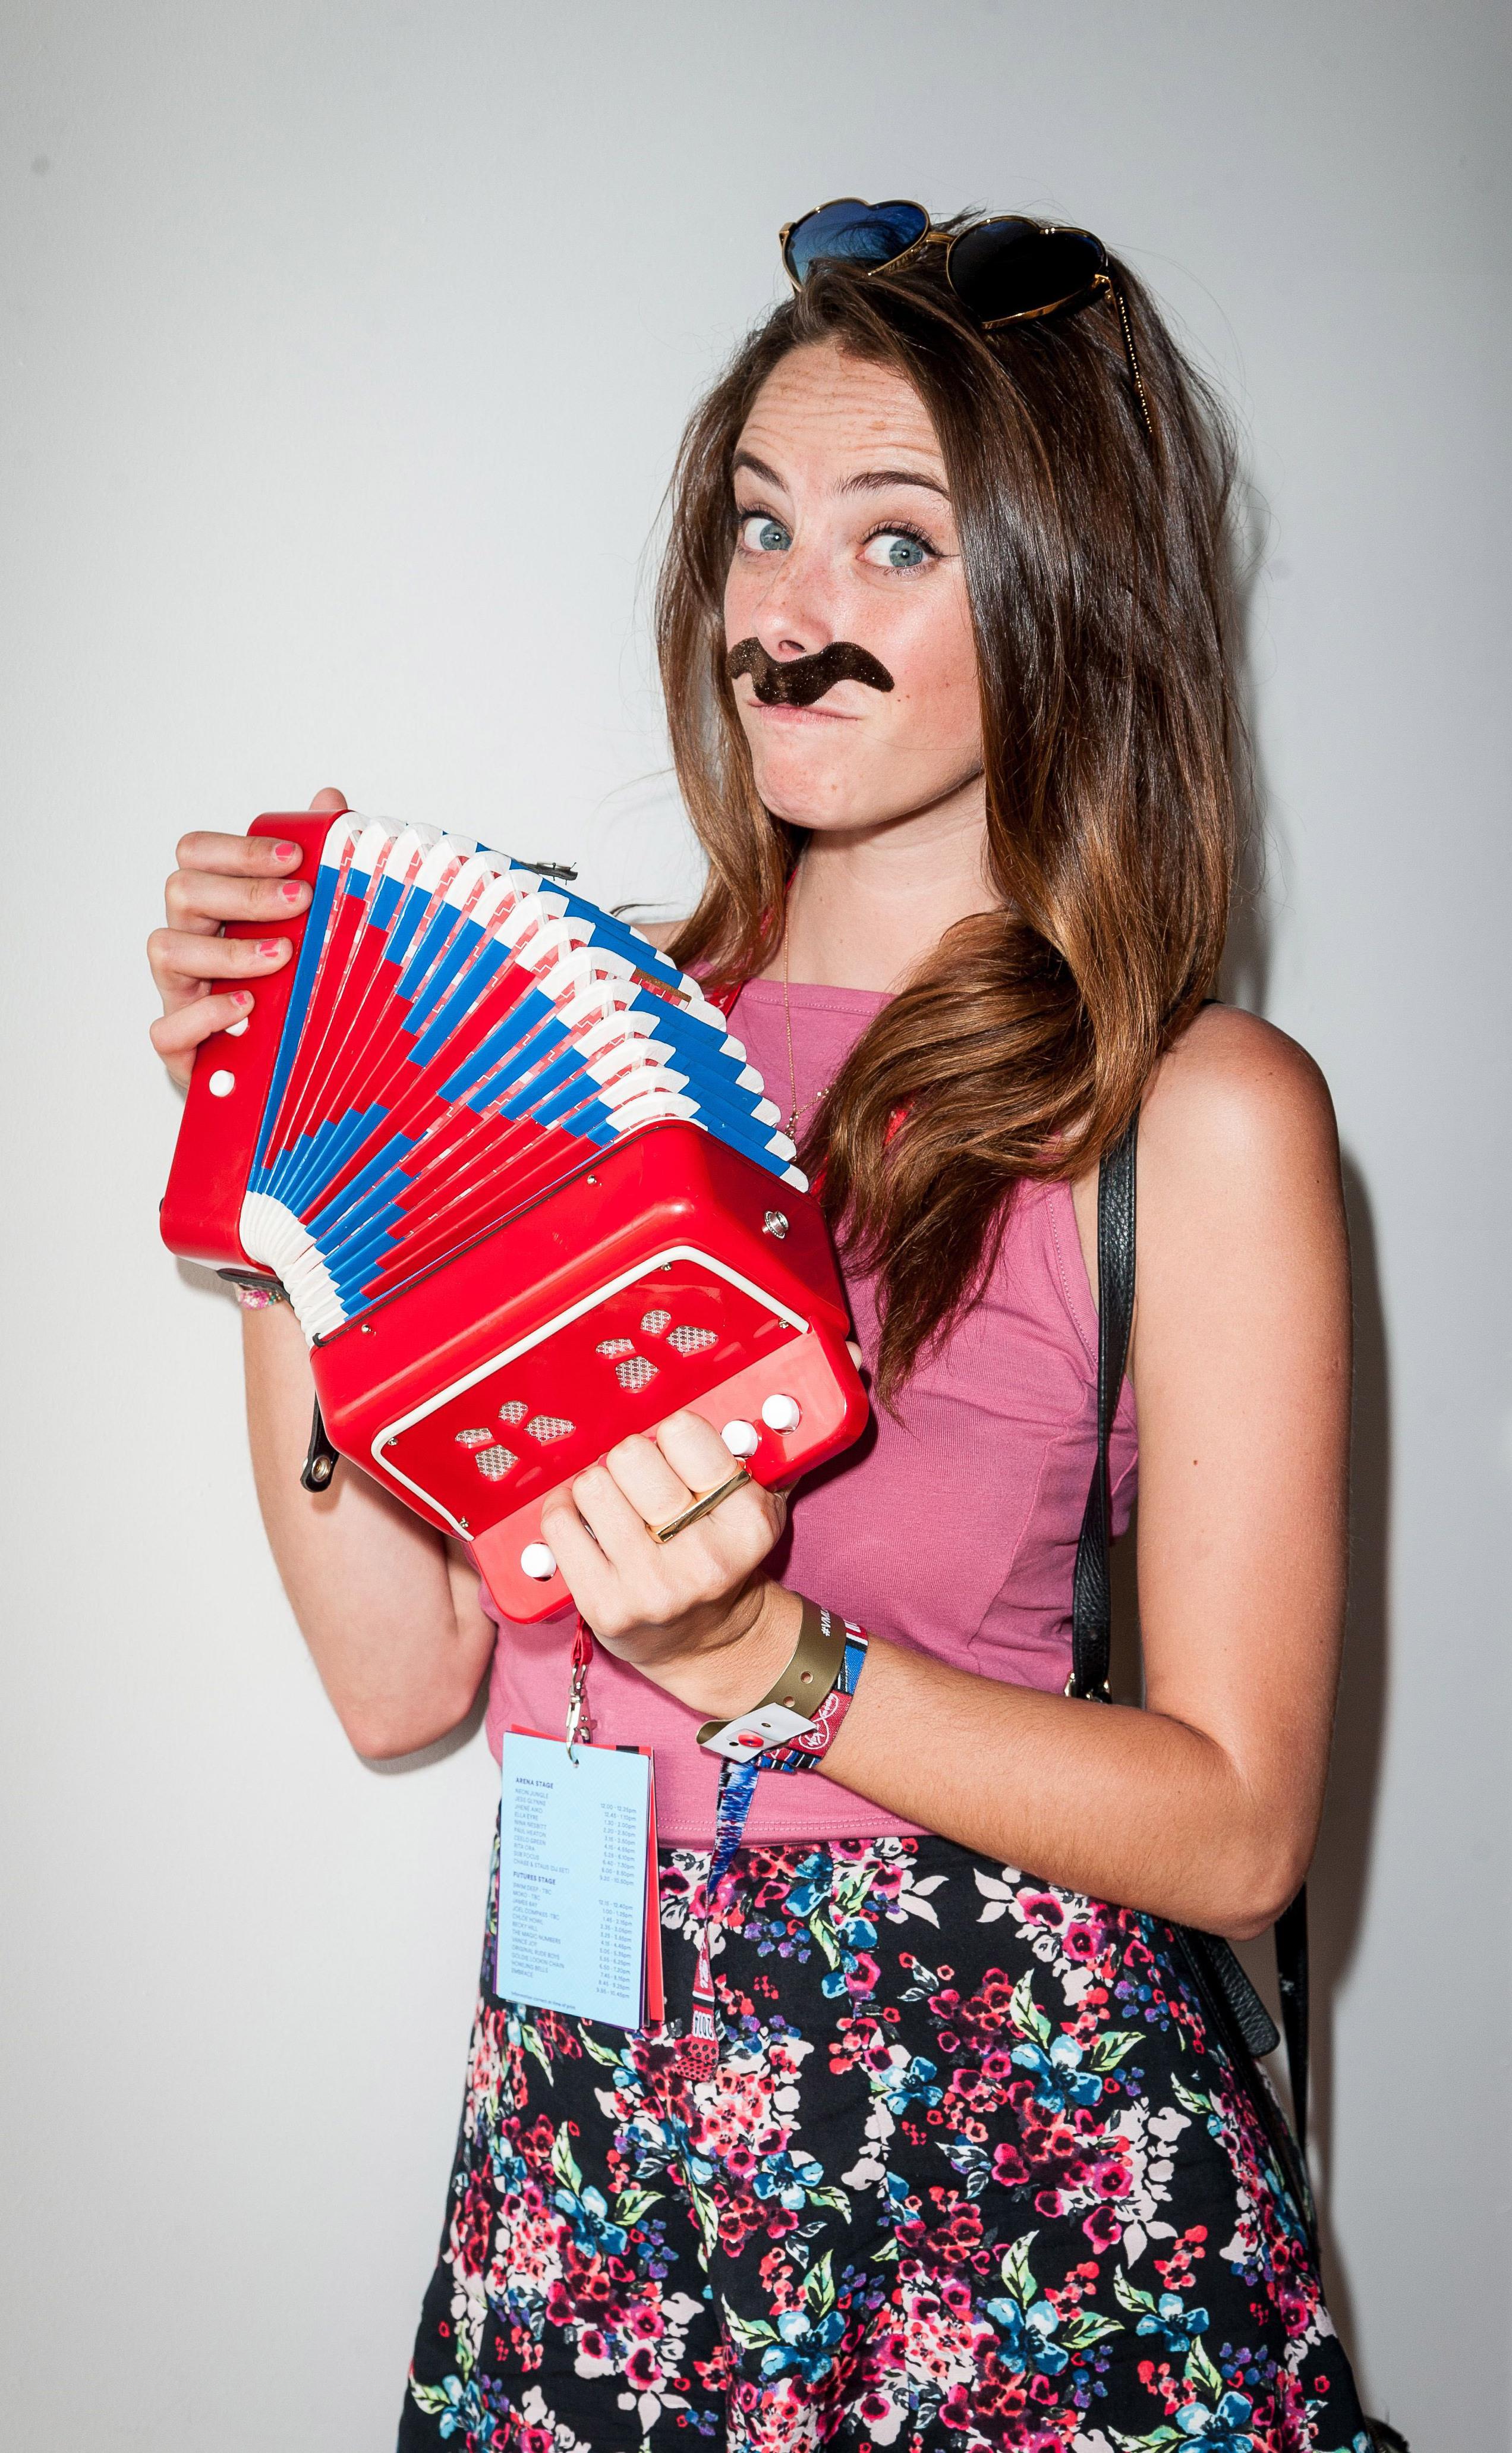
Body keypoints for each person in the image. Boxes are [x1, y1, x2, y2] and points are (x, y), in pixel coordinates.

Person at [148, 206, 1378, 2450]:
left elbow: (1235, 1831)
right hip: (586, 2137)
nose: (790, 617)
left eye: (898, 545)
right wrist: (280, 1175)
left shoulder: (1188, 1115)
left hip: (999, 2168)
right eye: (760, 530)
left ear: (1068, 597)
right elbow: (401, 1676)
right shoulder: (562, 1029)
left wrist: (772, 1674)